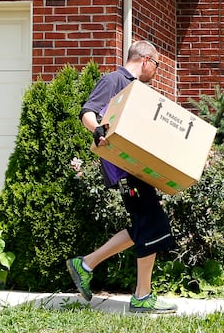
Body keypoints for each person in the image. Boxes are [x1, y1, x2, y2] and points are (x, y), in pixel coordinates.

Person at [66, 40, 178, 314]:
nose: (157, 71)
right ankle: (142, 296)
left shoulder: (139, 90)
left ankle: (86, 264)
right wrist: (97, 130)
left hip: (138, 167)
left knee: (144, 226)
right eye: (157, 65)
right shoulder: (114, 80)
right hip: (126, 169)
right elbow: (88, 112)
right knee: (152, 225)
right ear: (145, 60)